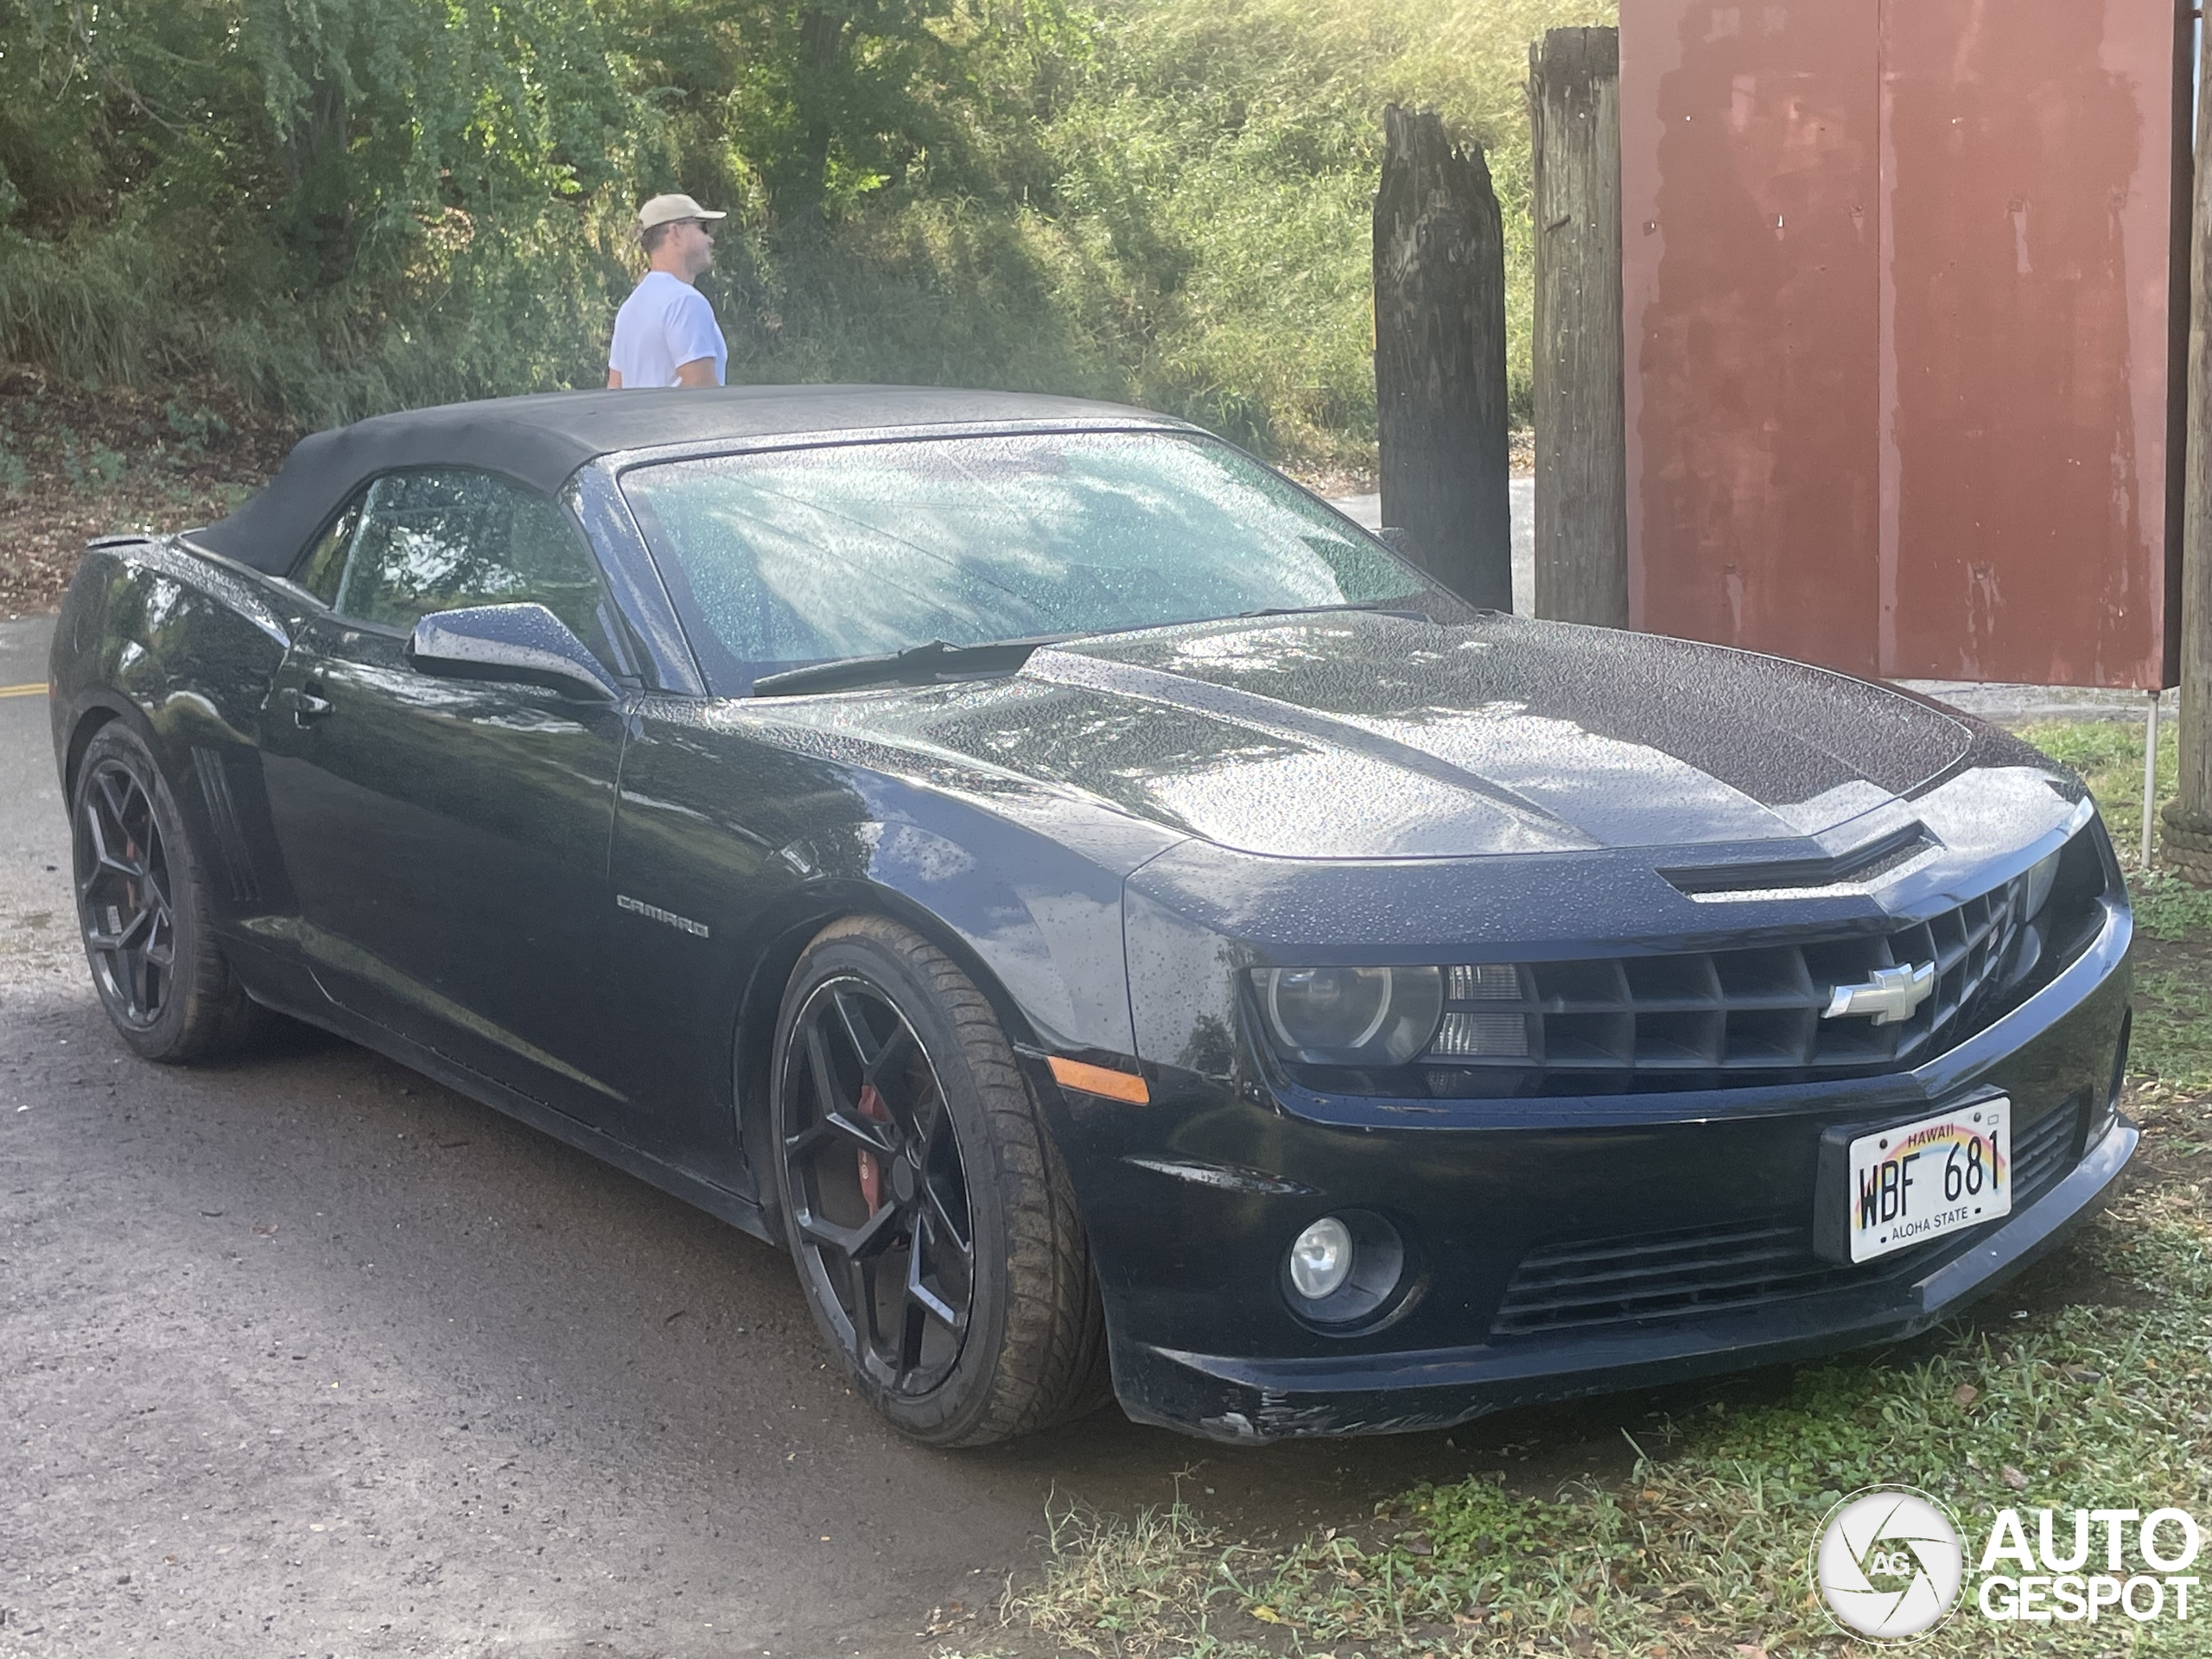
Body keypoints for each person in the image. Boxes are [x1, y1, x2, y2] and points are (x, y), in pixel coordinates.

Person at [607, 194, 728, 389]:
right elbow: (702, 390)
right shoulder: (685, 301)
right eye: (703, 228)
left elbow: (615, 389)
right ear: (675, 233)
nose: (710, 240)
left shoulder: (630, 308)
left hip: (642, 421)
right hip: (681, 421)